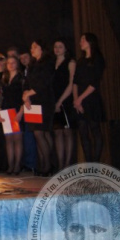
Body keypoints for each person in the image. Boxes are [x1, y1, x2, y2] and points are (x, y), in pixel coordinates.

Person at [23, 40, 56, 175]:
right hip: (33, 101)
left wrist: (28, 94)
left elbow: (44, 82)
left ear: (42, 49)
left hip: (44, 101)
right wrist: (26, 96)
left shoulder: (48, 63)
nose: (32, 49)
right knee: (39, 133)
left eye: (35, 47)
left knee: (41, 132)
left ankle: (48, 165)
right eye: (31, 47)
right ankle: (43, 163)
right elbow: (27, 83)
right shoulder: (32, 65)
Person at [73, 33, 106, 163]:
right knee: (83, 132)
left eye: (83, 39)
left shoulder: (98, 59)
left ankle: (95, 164)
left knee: (95, 130)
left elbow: (94, 83)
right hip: (79, 101)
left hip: (91, 99)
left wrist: (80, 99)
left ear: (90, 41)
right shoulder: (81, 61)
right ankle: (88, 163)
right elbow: (75, 81)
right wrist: (76, 100)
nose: (80, 42)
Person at [52, 38, 77, 169]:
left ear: (66, 48)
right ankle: (60, 164)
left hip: (66, 100)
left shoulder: (70, 62)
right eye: (55, 46)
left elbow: (71, 83)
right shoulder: (51, 63)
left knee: (67, 132)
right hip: (54, 99)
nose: (57, 49)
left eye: (60, 46)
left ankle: (68, 164)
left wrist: (60, 101)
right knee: (57, 132)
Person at [0, 55, 25, 175]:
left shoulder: (21, 78)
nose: (10, 65)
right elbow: (1, 96)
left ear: (17, 64)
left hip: (17, 109)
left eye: (13, 62)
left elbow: (24, 96)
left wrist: (21, 112)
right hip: (6, 109)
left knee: (17, 139)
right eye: (8, 63)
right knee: (8, 139)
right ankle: (10, 165)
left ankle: (17, 165)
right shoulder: (4, 78)